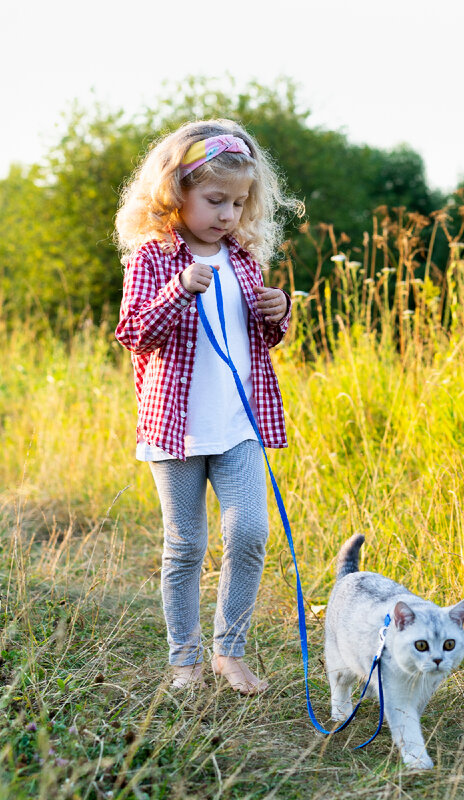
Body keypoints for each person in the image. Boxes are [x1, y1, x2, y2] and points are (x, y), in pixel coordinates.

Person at [114, 119, 301, 694]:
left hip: (238, 423)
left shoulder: (243, 259)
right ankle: (185, 659)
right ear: (177, 193)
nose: (227, 214)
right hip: (176, 427)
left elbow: (258, 339)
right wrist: (178, 290)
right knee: (186, 544)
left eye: (238, 203)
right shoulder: (152, 258)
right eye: (215, 200)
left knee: (249, 533)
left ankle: (229, 651)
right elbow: (134, 333)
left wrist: (277, 313)